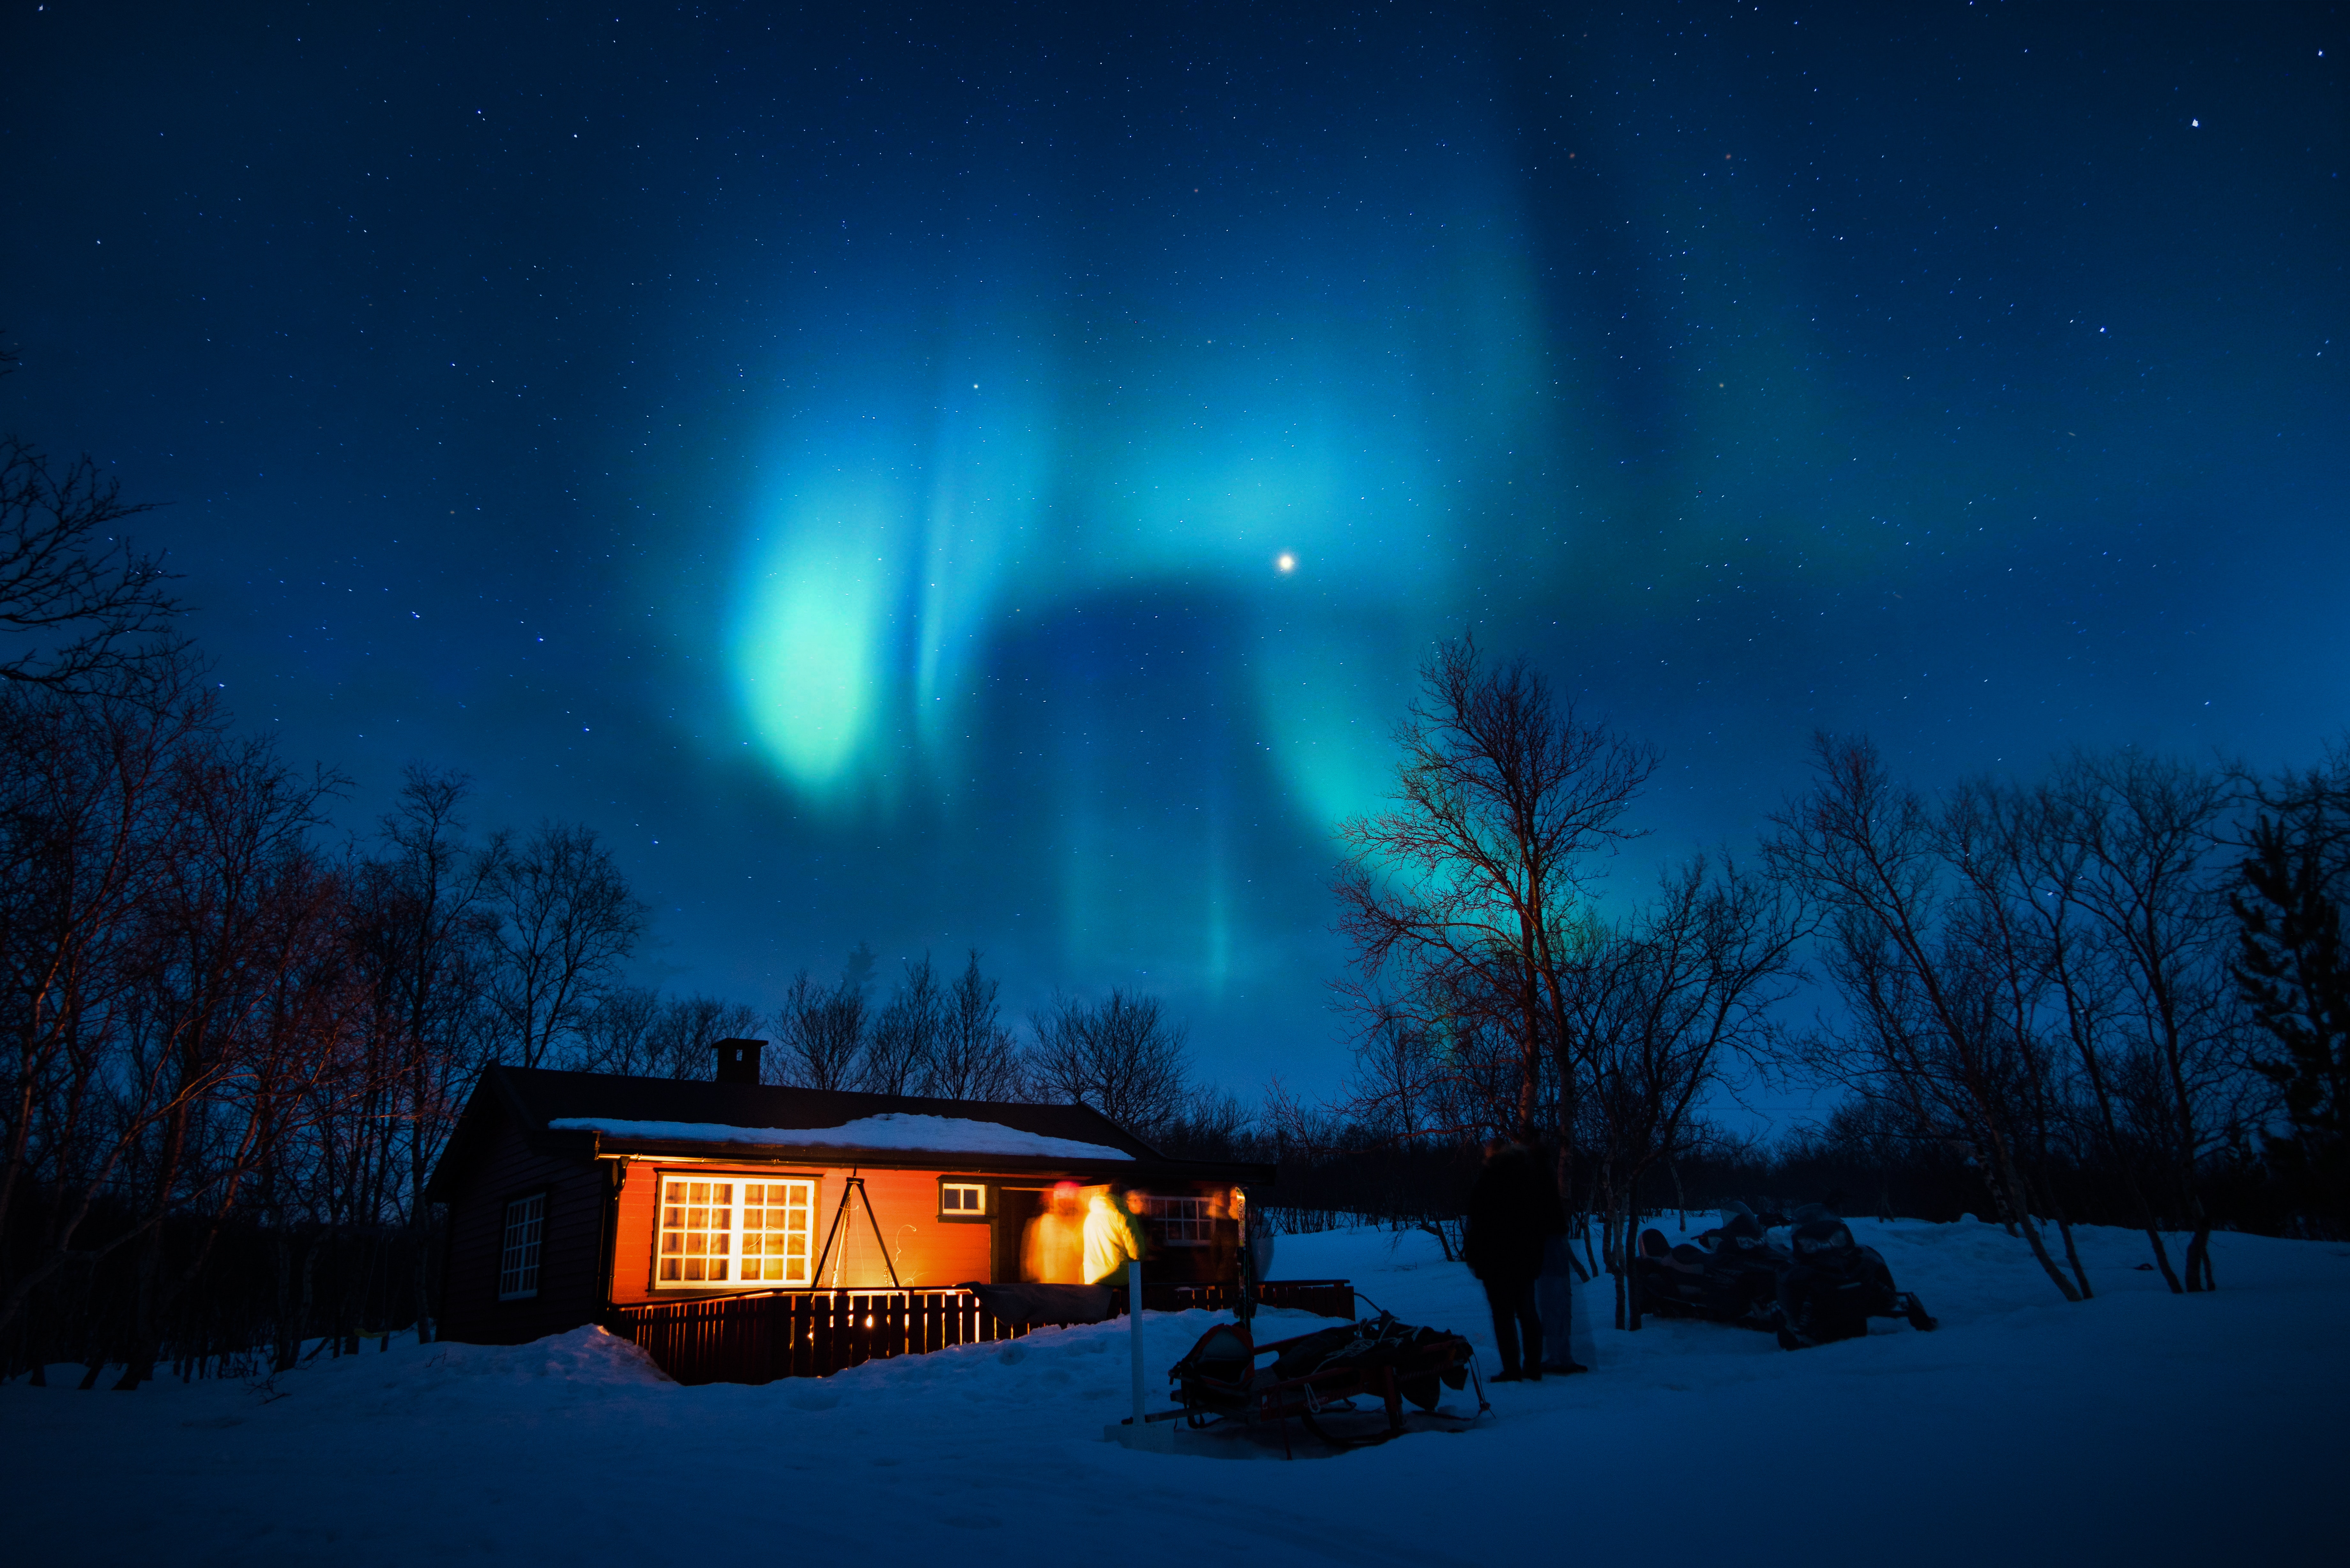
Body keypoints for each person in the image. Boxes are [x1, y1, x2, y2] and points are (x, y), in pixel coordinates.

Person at [1462, 1137, 1564, 1382]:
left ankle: (1512, 1369)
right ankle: (1532, 1367)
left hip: (1495, 1261)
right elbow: (1541, 1219)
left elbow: (1478, 1223)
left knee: (1504, 1316)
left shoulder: (1488, 1181)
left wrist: (1474, 1256)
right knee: (1527, 1314)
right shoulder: (1528, 1178)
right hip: (1525, 1259)